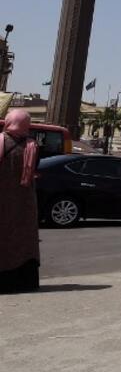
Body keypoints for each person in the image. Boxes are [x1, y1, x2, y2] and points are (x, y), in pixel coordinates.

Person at [0, 110, 40, 293]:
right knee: (23, 241)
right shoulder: (32, 145)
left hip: (3, 200)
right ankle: (22, 282)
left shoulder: (0, 141)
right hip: (24, 203)